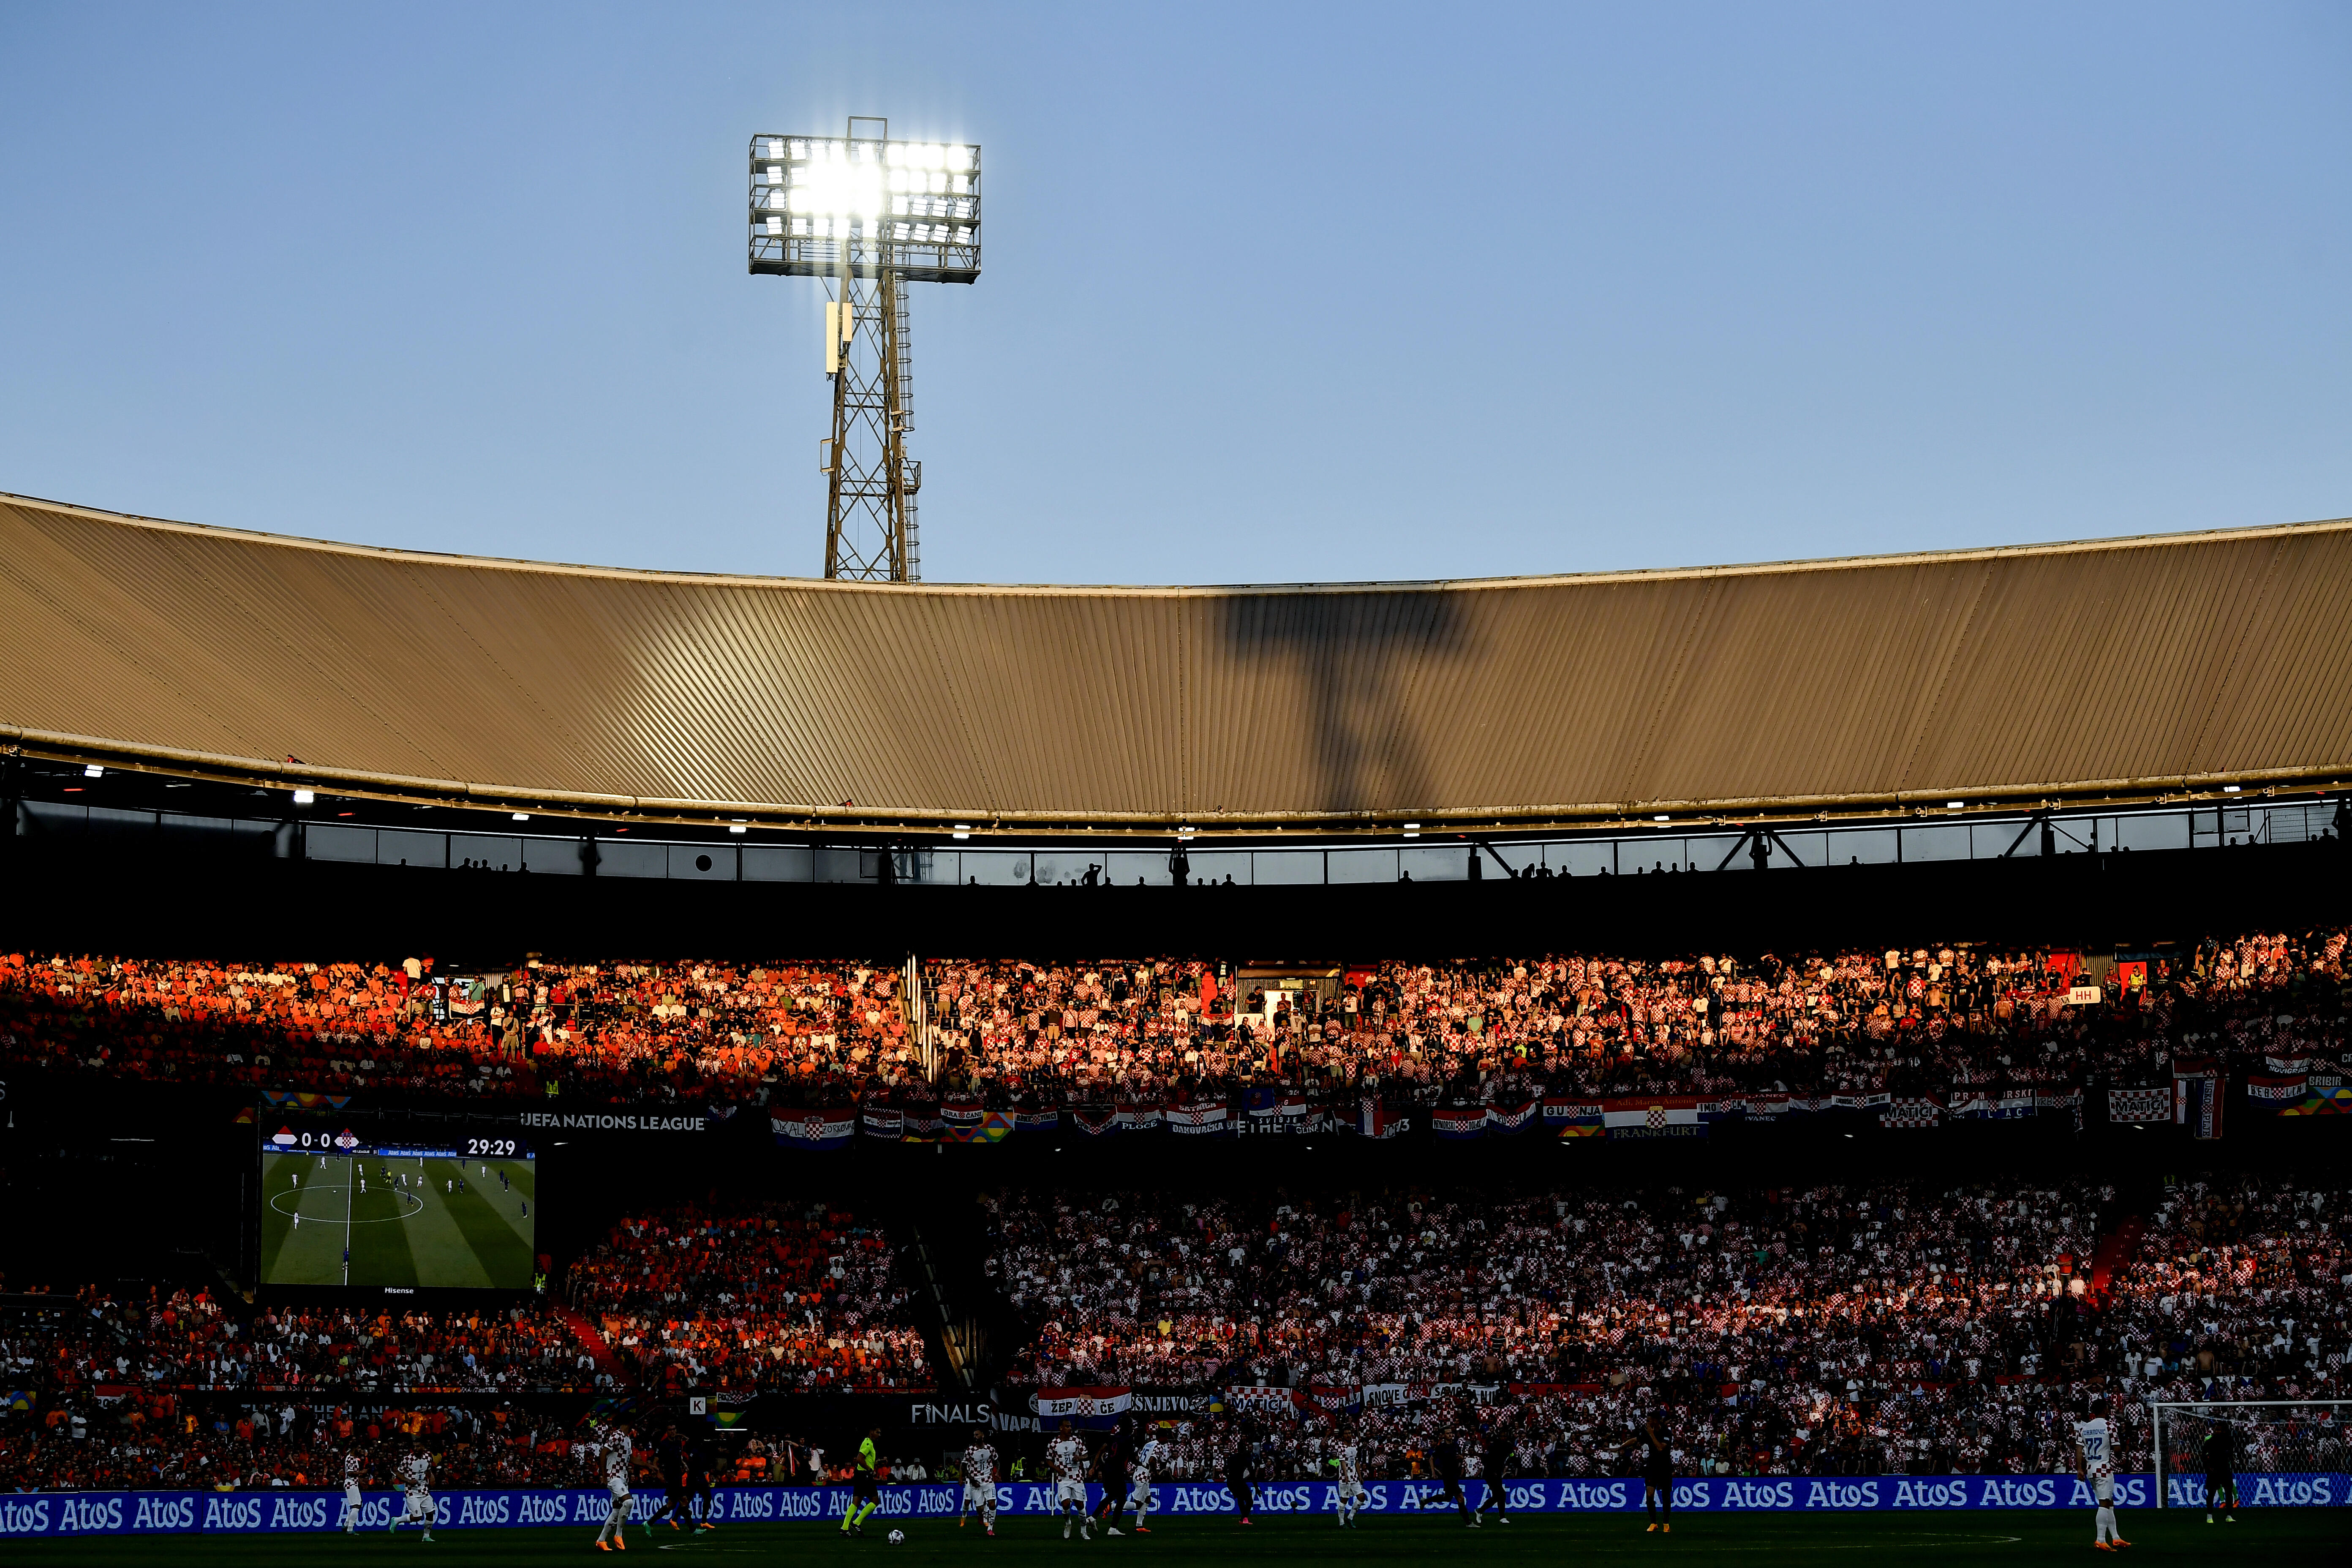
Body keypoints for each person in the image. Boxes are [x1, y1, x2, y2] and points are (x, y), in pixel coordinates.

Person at [2076, 1396, 2129, 1550]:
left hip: (2091, 1470)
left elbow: (2079, 1450)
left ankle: (2116, 1538)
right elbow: (2117, 1450)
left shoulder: (2084, 1428)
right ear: (2105, 1410)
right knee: (2105, 1503)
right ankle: (2100, 1539)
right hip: (2104, 1469)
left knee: (2109, 1502)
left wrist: (2080, 1469)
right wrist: (2122, 1455)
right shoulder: (2109, 1426)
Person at [582, 1420, 634, 1552]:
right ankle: (619, 1535)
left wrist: (649, 1466)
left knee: (617, 1511)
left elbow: (631, 1459)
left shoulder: (627, 1439)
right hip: (613, 1476)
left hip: (622, 1477)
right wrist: (604, 1476)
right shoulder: (618, 1435)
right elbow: (604, 1452)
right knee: (628, 1502)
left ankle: (601, 1541)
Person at [1625, 1414, 1673, 1533]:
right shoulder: (1647, 1432)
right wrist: (1618, 1448)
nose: (1647, 1423)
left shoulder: (1666, 1433)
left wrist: (1652, 1435)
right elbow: (1635, 1440)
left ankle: (1666, 1524)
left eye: (1649, 1421)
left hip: (1665, 1467)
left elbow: (1661, 1448)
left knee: (1666, 1497)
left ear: (1655, 1421)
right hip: (1652, 1467)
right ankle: (1653, 1523)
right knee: (1650, 1495)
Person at [1050, 1417, 1092, 1539]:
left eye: (1070, 1426)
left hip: (1077, 1477)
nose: (1070, 1429)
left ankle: (1084, 1532)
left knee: (1080, 1505)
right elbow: (1048, 1459)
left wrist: (1080, 1458)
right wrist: (1057, 1470)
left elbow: (1086, 1454)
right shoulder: (1054, 1444)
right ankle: (1068, 1523)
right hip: (1063, 1479)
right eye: (1067, 1426)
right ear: (1061, 1428)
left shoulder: (1076, 1441)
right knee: (1066, 1503)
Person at [644, 1426, 689, 1534]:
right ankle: (692, 1528)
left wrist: (684, 1465)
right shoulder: (663, 1445)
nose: (672, 1432)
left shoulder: (678, 1443)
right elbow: (655, 1461)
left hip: (678, 1476)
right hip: (670, 1477)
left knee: (672, 1505)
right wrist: (659, 1474)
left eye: (674, 1429)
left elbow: (679, 1457)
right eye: (670, 1430)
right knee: (684, 1500)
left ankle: (649, 1523)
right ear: (667, 1432)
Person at [1118, 1426, 1162, 1535]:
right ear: (1163, 1437)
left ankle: (1139, 1525)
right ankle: (1112, 1506)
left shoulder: (1149, 1444)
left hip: (1139, 1473)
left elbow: (1140, 1459)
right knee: (1137, 1505)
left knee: (1147, 1500)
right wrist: (1156, 1473)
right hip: (1144, 1476)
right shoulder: (1159, 1446)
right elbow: (1152, 1461)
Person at [841, 1425, 883, 1538]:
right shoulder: (868, 1444)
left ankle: (845, 1528)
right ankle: (857, 1522)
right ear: (871, 1432)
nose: (879, 1435)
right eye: (878, 1432)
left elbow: (866, 1460)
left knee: (856, 1502)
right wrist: (870, 1470)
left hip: (860, 1475)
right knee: (875, 1501)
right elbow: (859, 1459)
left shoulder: (868, 1443)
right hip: (865, 1476)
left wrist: (878, 1462)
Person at [386, 1445, 435, 1542]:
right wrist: (408, 1481)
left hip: (424, 1490)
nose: (416, 1449)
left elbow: (428, 1470)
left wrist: (432, 1477)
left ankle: (426, 1536)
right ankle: (397, 1520)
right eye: (415, 1447)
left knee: (430, 1514)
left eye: (418, 1446)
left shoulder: (428, 1458)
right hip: (411, 1491)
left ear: (423, 1448)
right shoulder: (408, 1459)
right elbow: (398, 1474)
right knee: (417, 1517)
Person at [958, 1425, 1000, 1535]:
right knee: (980, 1508)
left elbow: (997, 1462)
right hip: (975, 1482)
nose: (975, 1437)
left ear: (983, 1435)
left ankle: (990, 1529)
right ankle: (978, 1516)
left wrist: (996, 1472)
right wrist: (971, 1479)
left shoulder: (990, 1449)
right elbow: (964, 1466)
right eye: (974, 1435)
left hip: (988, 1481)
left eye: (977, 1435)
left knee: (992, 1504)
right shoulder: (970, 1450)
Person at [1475, 1415, 1514, 1524]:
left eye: (1505, 1436)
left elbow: (1511, 1456)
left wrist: (1512, 1459)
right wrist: (1493, 1471)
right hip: (1490, 1473)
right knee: (1500, 1494)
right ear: (1499, 1436)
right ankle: (1498, 1516)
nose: (1504, 1438)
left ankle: (1482, 1511)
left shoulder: (1508, 1446)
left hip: (1498, 1472)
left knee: (1500, 1495)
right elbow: (1487, 1459)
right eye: (1502, 1436)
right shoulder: (1495, 1445)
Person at [1431, 1428, 1473, 1526]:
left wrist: (1462, 1459)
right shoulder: (1441, 1447)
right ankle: (1468, 1522)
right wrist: (1434, 1472)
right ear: (1444, 1436)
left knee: (1448, 1498)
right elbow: (1431, 1459)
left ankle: (1426, 1501)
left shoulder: (1456, 1445)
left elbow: (1459, 1458)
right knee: (1460, 1498)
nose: (1450, 1435)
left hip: (1455, 1475)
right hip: (1448, 1476)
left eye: (1451, 1433)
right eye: (1448, 1434)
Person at [1328, 1423, 1366, 1529]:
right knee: (1344, 1500)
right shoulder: (1341, 1447)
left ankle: (1350, 1517)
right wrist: (1346, 1475)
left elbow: (1357, 1461)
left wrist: (1360, 1475)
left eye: (1350, 1433)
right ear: (1343, 1436)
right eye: (1346, 1434)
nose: (1348, 1435)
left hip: (1354, 1477)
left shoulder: (1354, 1446)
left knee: (1362, 1497)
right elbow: (1343, 1462)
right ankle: (1341, 1523)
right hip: (1345, 1478)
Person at [2203, 1421, 2238, 1524]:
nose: (2217, 1431)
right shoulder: (2209, 1442)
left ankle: (2229, 1516)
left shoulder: (2229, 1441)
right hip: (2213, 1470)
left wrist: (2232, 1462)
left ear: (2223, 1431)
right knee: (2211, 1494)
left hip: (2225, 1470)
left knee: (2228, 1492)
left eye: (2219, 1430)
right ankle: (2209, 1516)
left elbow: (2231, 1454)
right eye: (2216, 1429)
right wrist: (2208, 1468)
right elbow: (2204, 1456)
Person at [1221, 1426, 1254, 1526]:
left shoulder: (1232, 1458)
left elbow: (1225, 1470)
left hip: (1233, 1481)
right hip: (1237, 1481)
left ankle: (1243, 1518)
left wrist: (1229, 1478)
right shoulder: (1245, 1459)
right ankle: (1244, 1518)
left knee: (1242, 1499)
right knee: (1248, 1500)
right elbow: (1251, 1472)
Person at [684, 1435, 717, 1532]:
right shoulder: (696, 1451)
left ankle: (675, 1519)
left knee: (689, 1499)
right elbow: (693, 1465)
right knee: (690, 1499)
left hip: (697, 1477)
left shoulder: (699, 1451)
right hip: (697, 1478)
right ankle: (703, 1522)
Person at [338, 1441, 365, 1534]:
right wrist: (362, 1472)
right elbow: (350, 1473)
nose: (360, 1450)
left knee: (356, 1505)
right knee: (356, 1506)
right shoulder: (350, 1459)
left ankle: (346, 1525)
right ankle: (350, 1529)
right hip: (351, 1484)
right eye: (358, 1448)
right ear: (354, 1449)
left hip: (353, 1484)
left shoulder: (353, 1458)